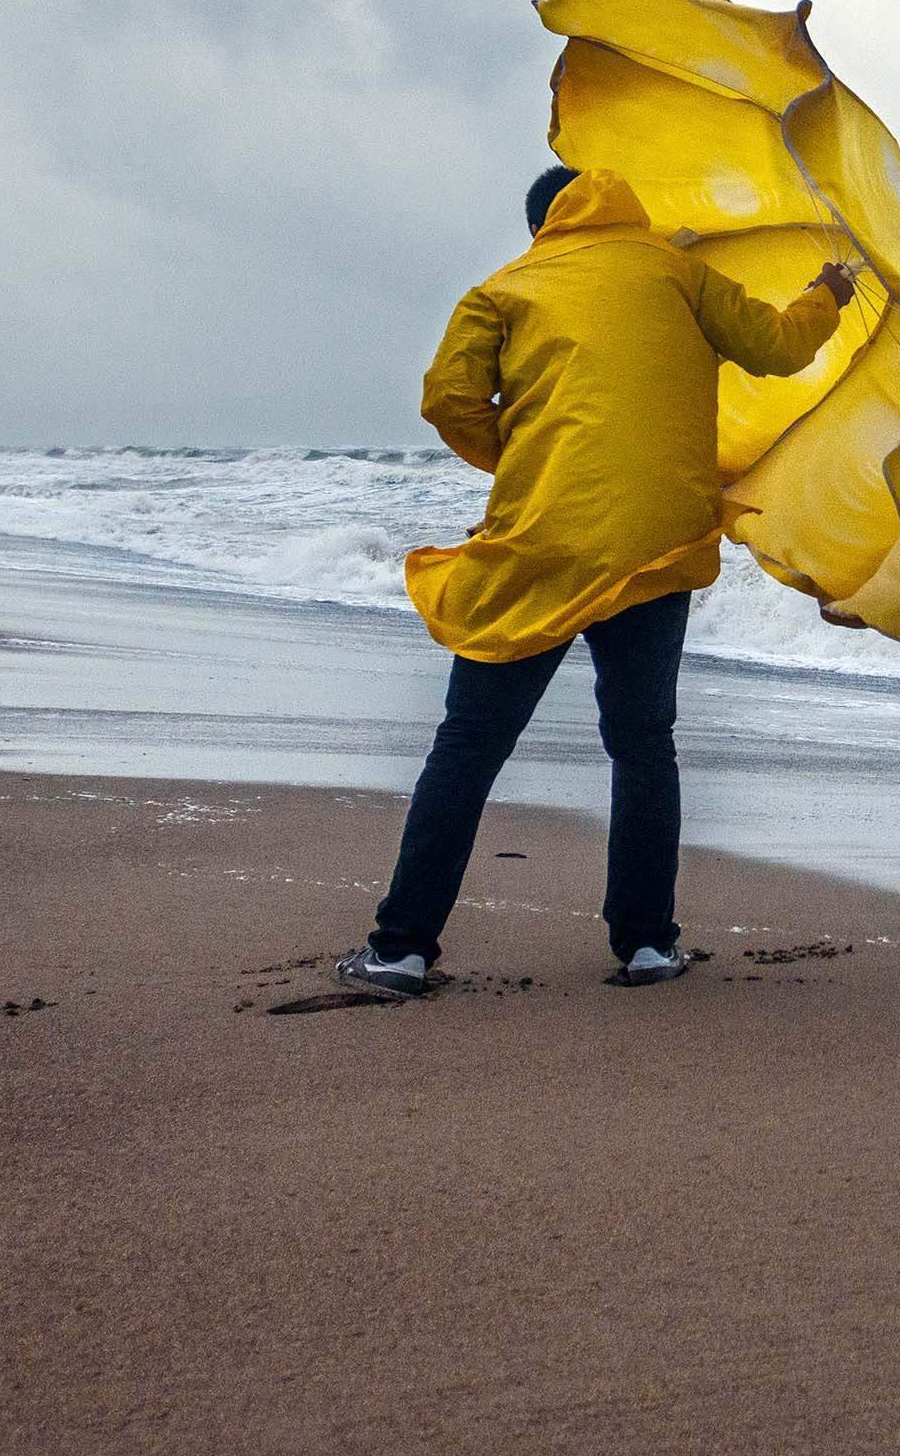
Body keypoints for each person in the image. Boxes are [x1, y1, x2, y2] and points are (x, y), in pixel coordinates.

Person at [338, 163, 855, 996]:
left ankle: (400, 950)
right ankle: (648, 946)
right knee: (644, 745)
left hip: (542, 543)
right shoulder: (676, 270)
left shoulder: (505, 288)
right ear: (624, 208)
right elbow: (779, 347)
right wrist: (826, 291)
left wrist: (522, 458)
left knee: (468, 746)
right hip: (655, 545)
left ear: (542, 226)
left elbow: (448, 399)